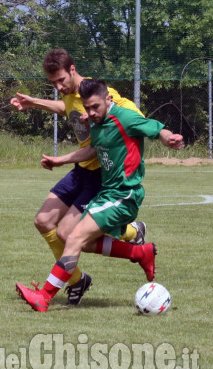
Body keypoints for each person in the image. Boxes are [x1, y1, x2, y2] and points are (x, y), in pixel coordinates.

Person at [15, 78, 184, 312]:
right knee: (77, 239)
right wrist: (60, 159)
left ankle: (43, 297)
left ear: (108, 99)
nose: (91, 112)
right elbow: (93, 148)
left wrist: (168, 137)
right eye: (87, 108)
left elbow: (154, 127)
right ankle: (140, 252)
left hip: (125, 194)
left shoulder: (124, 117)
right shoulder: (96, 120)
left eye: (95, 107)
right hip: (107, 194)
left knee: (74, 239)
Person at [9, 48, 146, 305]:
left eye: (61, 80)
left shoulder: (93, 92)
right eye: (53, 83)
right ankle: (79, 279)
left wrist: (125, 121)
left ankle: (129, 234)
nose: (58, 86)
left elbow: (124, 108)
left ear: (73, 69)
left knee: (67, 235)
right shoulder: (72, 95)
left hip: (98, 176)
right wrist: (34, 102)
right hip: (80, 171)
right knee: (42, 221)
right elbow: (65, 108)